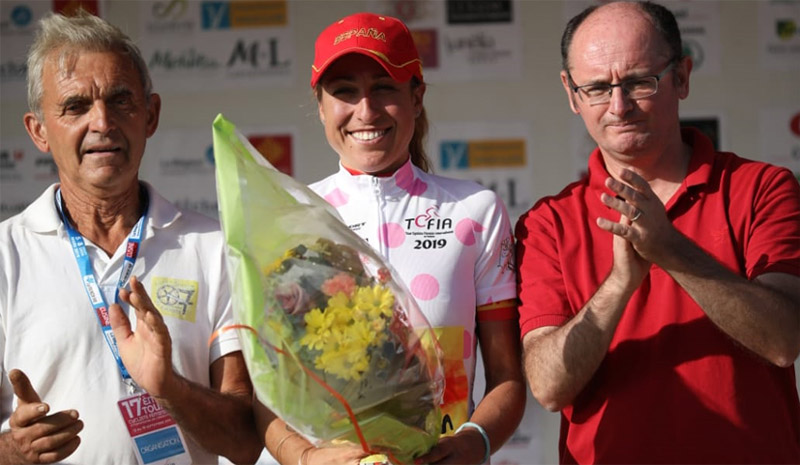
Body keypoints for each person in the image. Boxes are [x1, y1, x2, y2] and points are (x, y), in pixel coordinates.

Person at [515, 1, 800, 463]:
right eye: (597, 88)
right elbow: (548, 387)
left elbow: (784, 340)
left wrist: (670, 250)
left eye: (638, 82)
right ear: (571, 94)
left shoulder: (762, 188)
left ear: (682, 77)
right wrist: (620, 285)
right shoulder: (547, 222)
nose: (619, 106)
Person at [254, 12, 526, 465]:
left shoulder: (475, 211)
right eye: (344, 92)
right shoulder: (290, 220)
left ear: (416, 96)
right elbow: (261, 388)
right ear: (320, 105)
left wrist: (471, 443)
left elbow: (507, 379)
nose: (366, 110)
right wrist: (304, 458)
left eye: (383, 87)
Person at [0, 10, 262, 464]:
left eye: (121, 101)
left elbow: (244, 443)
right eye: (76, 106)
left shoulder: (215, 248)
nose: (103, 122)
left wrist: (169, 388)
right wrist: (13, 449)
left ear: (151, 115)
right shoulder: (6, 254)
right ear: (38, 131)